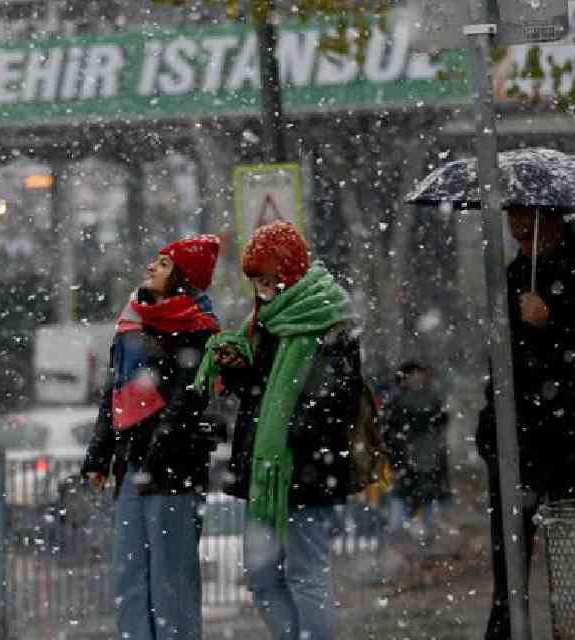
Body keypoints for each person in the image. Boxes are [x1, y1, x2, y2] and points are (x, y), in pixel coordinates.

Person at [196, 220, 361, 640]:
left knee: (307, 573)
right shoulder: (266, 320)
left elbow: (335, 400)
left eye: (268, 278)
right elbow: (260, 391)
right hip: (266, 472)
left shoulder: (328, 319)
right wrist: (238, 369)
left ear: (288, 272)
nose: (263, 288)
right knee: (261, 575)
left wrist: (291, 431)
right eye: (256, 280)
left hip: (305, 469)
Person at [479, 209, 575, 640]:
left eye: (527, 233)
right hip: (518, 436)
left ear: (551, 221)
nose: (521, 242)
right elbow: (502, 359)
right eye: (515, 233)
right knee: (509, 564)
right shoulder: (514, 276)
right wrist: (490, 425)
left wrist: (553, 323)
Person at [81, 235, 222, 640]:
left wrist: (156, 450)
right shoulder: (131, 324)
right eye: (154, 260)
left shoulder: (198, 331)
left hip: (173, 471)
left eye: (163, 264)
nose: (151, 267)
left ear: (183, 277)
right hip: (131, 465)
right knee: (130, 574)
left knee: (170, 577)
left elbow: (187, 400)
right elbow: (114, 394)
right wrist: (98, 456)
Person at [383, 361, 450, 543]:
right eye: (413, 375)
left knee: (423, 502)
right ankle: (403, 541)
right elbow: (390, 431)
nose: (417, 379)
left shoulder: (431, 399)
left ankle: (418, 541)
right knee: (402, 502)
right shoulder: (398, 401)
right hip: (407, 461)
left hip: (425, 460)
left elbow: (440, 424)